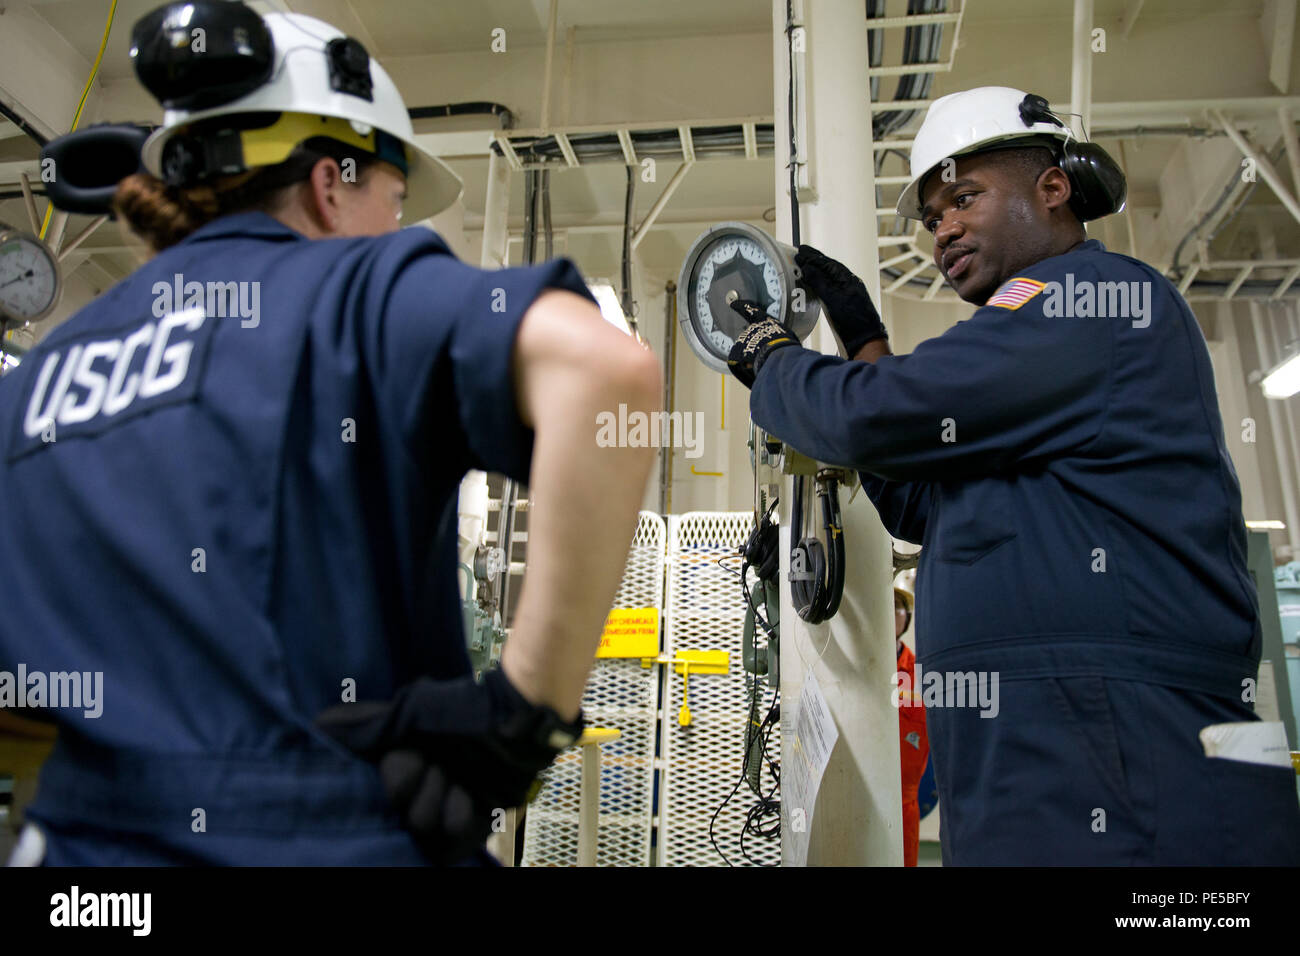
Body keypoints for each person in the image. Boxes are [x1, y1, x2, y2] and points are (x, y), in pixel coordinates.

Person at [0, 1, 660, 865]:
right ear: (330, 183)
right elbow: (607, 374)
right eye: (393, 198)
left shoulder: (45, 372)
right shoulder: (350, 295)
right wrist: (520, 713)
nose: (396, 227)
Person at [725, 86, 1300, 865]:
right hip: (1043, 759)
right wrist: (863, 338)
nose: (944, 229)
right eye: (932, 218)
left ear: (1053, 188)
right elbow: (913, 493)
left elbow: (879, 418)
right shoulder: (1026, 365)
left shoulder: (1096, 299)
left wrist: (774, 361)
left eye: (965, 197)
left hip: (1129, 762)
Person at [893, 576, 928, 867]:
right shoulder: (856, 671)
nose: (891, 613)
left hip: (906, 806)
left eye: (897, 606)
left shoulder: (923, 677)